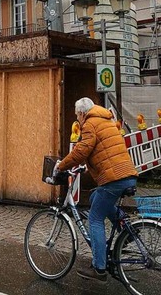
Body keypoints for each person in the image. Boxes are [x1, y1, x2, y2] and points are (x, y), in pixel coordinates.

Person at [55, 97, 138, 283]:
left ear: (82, 113)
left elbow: (81, 150)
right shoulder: (106, 120)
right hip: (128, 174)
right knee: (95, 197)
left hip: (114, 179)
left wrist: (61, 166)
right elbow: (103, 150)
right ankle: (126, 228)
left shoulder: (90, 123)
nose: (77, 119)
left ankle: (99, 269)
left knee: (95, 218)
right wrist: (87, 166)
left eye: (77, 115)